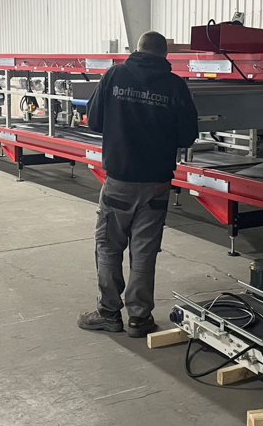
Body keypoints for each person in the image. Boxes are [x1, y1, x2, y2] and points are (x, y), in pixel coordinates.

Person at [77, 31, 198, 337]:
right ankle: (139, 319)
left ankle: (108, 313)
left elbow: (94, 121)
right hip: (157, 183)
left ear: (137, 49)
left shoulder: (114, 76)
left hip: (119, 179)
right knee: (144, 251)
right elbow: (188, 136)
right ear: (165, 55)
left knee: (108, 247)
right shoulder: (175, 86)